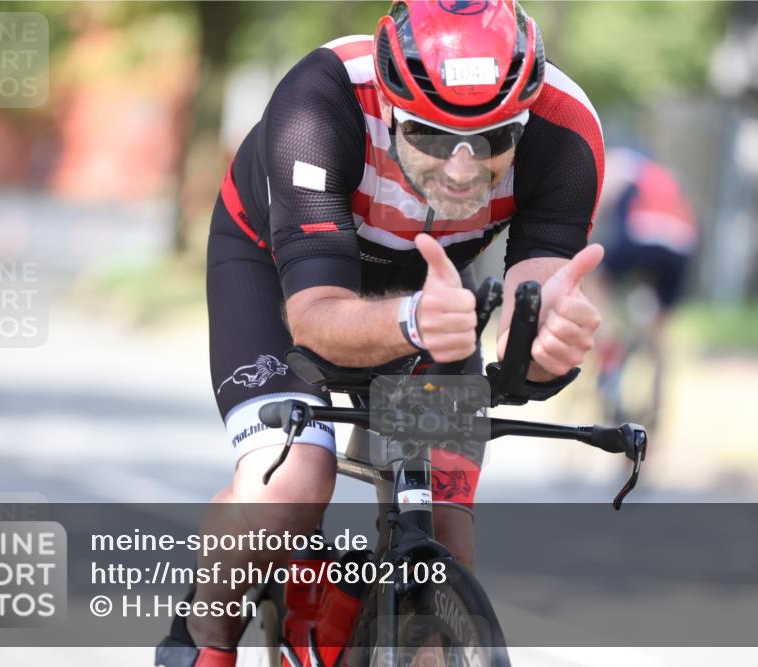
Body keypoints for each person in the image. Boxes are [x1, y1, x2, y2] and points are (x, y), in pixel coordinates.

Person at [157, 2, 605, 665]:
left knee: (443, 525)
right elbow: (313, 317)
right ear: (390, 106)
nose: (460, 170)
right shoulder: (318, 103)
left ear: (527, 115)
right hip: (280, 267)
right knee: (293, 484)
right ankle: (201, 639)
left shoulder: (565, 133)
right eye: (430, 135)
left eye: (492, 139)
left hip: (432, 286)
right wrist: (409, 319)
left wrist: (544, 348)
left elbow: (530, 312)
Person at [586, 147, 698, 392]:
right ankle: (658, 388)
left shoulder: (621, 162)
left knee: (596, 279)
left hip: (642, 235)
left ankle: (609, 340)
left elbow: (598, 206)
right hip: (682, 242)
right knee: (659, 326)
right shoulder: (664, 175)